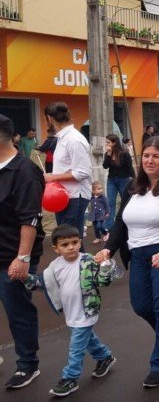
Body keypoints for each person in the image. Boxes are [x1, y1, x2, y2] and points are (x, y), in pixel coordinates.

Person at [95, 136, 159, 389]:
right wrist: (107, 249)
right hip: (137, 256)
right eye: (146, 155)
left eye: (156, 156)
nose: (150, 160)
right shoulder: (131, 187)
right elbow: (119, 223)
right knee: (141, 306)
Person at [26, 224, 117, 397]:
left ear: (79, 242)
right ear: (56, 248)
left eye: (74, 242)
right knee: (88, 339)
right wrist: (25, 278)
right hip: (71, 312)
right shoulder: (55, 266)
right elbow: (43, 284)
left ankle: (70, 378)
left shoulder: (88, 260)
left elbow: (102, 281)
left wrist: (105, 268)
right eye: (65, 244)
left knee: (76, 347)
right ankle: (105, 357)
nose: (70, 247)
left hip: (87, 311)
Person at [0, 113, 45, 390]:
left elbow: (29, 219)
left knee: (17, 309)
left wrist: (23, 258)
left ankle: (27, 364)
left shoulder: (24, 171)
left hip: (12, 254)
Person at [44, 102, 92, 242]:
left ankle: (84, 264)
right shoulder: (63, 138)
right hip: (64, 196)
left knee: (70, 241)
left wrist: (52, 177)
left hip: (75, 196)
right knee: (67, 241)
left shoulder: (74, 139)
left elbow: (82, 172)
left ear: (49, 118)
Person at [102, 134, 135, 233]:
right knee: (110, 202)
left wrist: (135, 180)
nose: (106, 144)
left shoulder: (124, 153)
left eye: (108, 142)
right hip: (111, 180)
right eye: (106, 142)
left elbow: (130, 167)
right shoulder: (108, 154)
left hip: (124, 180)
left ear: (114, 143)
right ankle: (109, 227)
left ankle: (129, 223)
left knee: (126, 201)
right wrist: (108, 154)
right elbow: (105, 166)